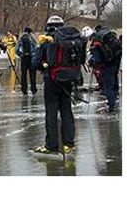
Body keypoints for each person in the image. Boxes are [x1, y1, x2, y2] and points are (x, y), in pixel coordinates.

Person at [32, 15, 85, 156]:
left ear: (48, 25)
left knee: (51, 113)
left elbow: (35, 62)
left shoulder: (46, 40)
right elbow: (81, 59)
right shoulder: (72, 39)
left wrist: (44, 66)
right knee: (67, 111)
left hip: (52, 80)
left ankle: (51, 146)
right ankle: (68, 144)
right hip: (68, 80)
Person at [88, 26, 121, 113]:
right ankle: (113, 99)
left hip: (107, 65)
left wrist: (92, 62)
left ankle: (111, 107)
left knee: (108, 86)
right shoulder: (106, 36)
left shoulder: (96, 42)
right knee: (113, 82)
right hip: (115, 60)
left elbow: (97, 59)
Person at [18, 26, 38, 95]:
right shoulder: (32, 38)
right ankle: (33, 89)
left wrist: (20, 55)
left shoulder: (21, 38)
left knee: (24, 74)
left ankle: (24, 89)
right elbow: (36, 47)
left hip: (23, 58)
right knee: (32, 74)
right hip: (31, 57)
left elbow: (16, 49)